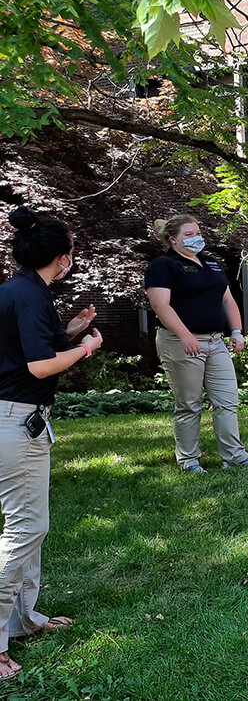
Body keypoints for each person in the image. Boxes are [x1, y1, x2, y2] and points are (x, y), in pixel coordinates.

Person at [0, 206, 103, 681]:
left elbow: (29, 351)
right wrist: (85, 349)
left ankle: (24, 619)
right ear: (61, 258)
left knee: (32, 527)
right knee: (24, 529)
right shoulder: (29, 295)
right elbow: (39, 368)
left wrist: (70, 333)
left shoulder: (23, 291)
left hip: (21, 419)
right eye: (71, 252)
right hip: (16, 420)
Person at [145, 214, 248, 474]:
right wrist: (185, 334)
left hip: (215, 341)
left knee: (227, 400)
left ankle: (234, 457)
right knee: (189, 404)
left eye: (197, 232)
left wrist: (236, 331)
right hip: (180, 342)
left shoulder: (210, 263)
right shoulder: (163, 265)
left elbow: (227, 299)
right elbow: (160, 305)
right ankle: (189, 461)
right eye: (188, 234)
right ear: (173, 239)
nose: (196, 237)